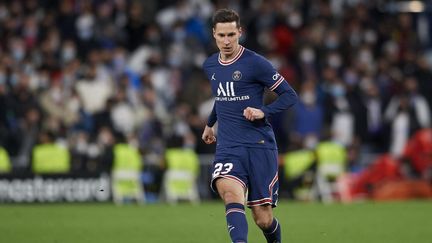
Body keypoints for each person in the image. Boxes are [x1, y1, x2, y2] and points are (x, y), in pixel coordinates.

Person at [201, 9, 298, 243]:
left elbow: (289, 95)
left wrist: (263, 111)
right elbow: (222, 98)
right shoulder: (210, 65)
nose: (226, 41)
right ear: (214, 34)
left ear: (240, 33)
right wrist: (210, 124)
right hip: (229, 146)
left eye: (231, 35)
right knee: (230, 194)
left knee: (263, 219)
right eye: (221, 35)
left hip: (258, 145)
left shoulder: (256, 63)